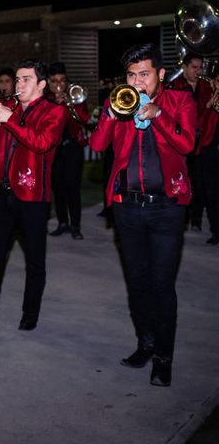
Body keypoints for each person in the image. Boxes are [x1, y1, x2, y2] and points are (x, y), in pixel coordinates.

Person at [90, 43, 197, 387]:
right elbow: (96, 146)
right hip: (127, 207)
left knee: (162, 285)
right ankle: (145, 343)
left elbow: (187, 145)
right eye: (132, 75)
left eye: (145, 74)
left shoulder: (180, 101)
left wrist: (159, 115)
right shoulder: (117, 102)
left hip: (167, 207)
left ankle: (163, 357)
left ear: (161, 74)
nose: (137, 82)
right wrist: (109, 113)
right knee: (136, 283)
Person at [0, 59, 66, 332]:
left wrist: (7, 117)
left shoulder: (54, 112)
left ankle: (30, 314)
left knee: (34, 261)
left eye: (26, 79)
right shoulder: (11, 107)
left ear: (41, 84)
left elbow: (40, 143)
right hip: (0, 193)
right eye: (17, 79)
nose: (19, 84)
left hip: (32, 197)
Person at [168, 52, 214, 231]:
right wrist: (207, 107)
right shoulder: (175, 86)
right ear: (184, 68)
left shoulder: (206, 86)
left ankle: (197, 217)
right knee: (182, 181)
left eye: (200, 67)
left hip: (203, 142)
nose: (198, 70)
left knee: (201, 182)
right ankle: (184, 216)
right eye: (194, 67)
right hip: (183, 141)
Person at [47, 62, 90, 240]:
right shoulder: (45, 99)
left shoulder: (75, 94)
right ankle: (62, 222)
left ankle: (76, 226)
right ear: (48, 82)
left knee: (73, 188)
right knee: (58, 188)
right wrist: (55, 105)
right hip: (54, 149)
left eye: (63, 80)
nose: (59, 85)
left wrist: (69, 105)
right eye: (55, 81)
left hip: (72, 147)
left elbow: (85, 119)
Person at [196, 70, 219, 245]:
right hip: (209, 150)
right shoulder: (206, 96)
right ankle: (216, 231)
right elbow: (197, 124)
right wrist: (209, 105)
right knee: (211, 193)